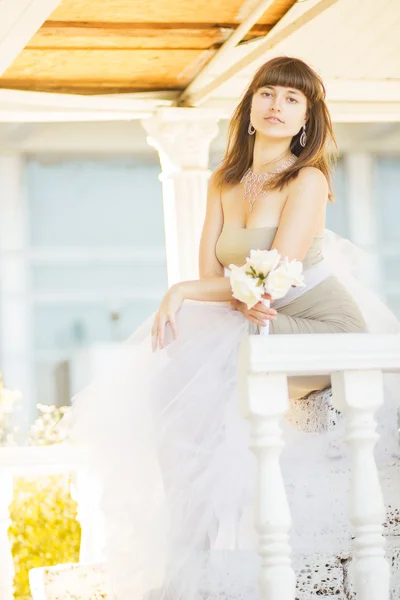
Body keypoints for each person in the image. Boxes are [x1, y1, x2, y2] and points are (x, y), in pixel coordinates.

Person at [66, 57, 400, 599]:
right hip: (258, 316)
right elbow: (214, 275)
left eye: (293, 100)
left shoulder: (307, 179)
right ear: (249, 110)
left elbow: (276, 272)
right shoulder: (224, 182)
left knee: (211, 358)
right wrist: (204, 291)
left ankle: (204, 544)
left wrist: (184, 293)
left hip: (320, 323)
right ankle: (189, 544)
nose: (277, 106)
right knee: (171, 384)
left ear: (306, 121)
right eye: (268, 94)